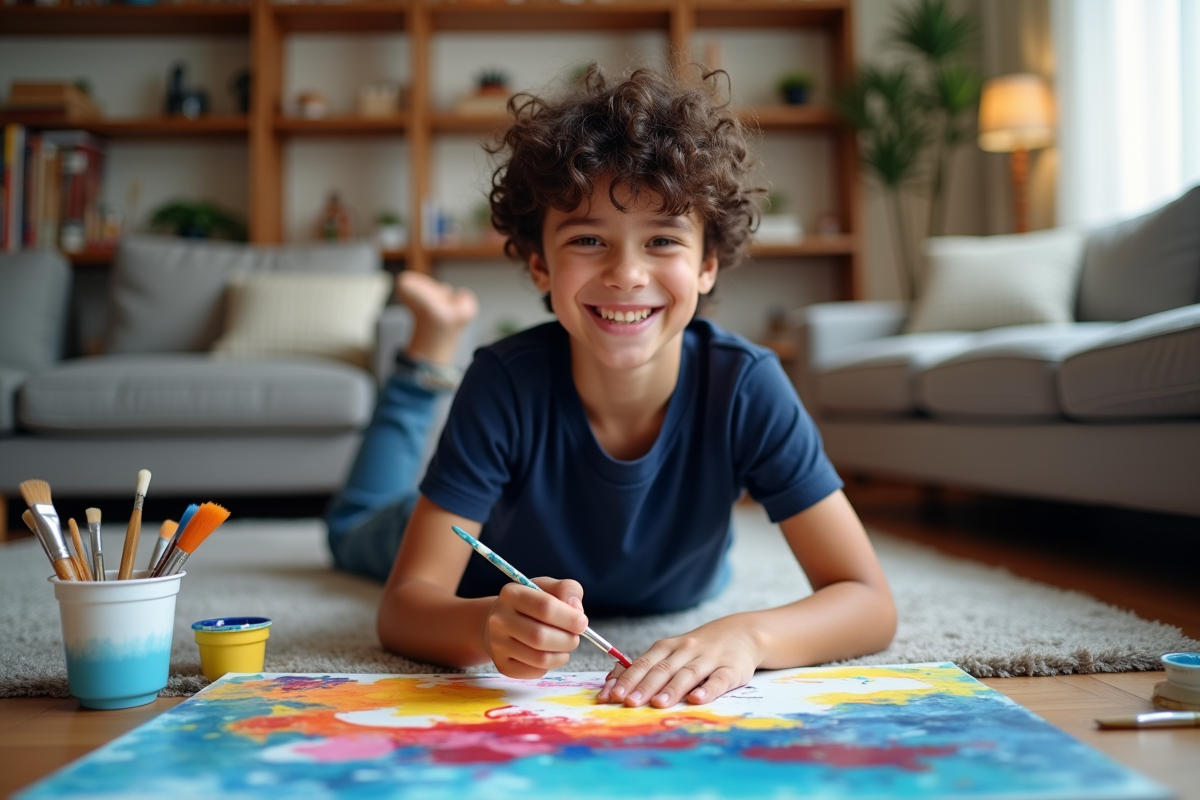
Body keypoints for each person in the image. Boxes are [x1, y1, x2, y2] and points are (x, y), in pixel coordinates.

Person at [339, 65, 896, 709]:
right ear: (541, 265)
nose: (627, 274)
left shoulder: (746, 386)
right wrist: (485, 623)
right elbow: (404, 607)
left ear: (707, 264)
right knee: (355, 526)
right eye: (587, 238)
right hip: (450, 541)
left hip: (673, 589)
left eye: (662, 239)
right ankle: (426, 358)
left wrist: (751, 635)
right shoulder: (504, 382)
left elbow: (869, 601)